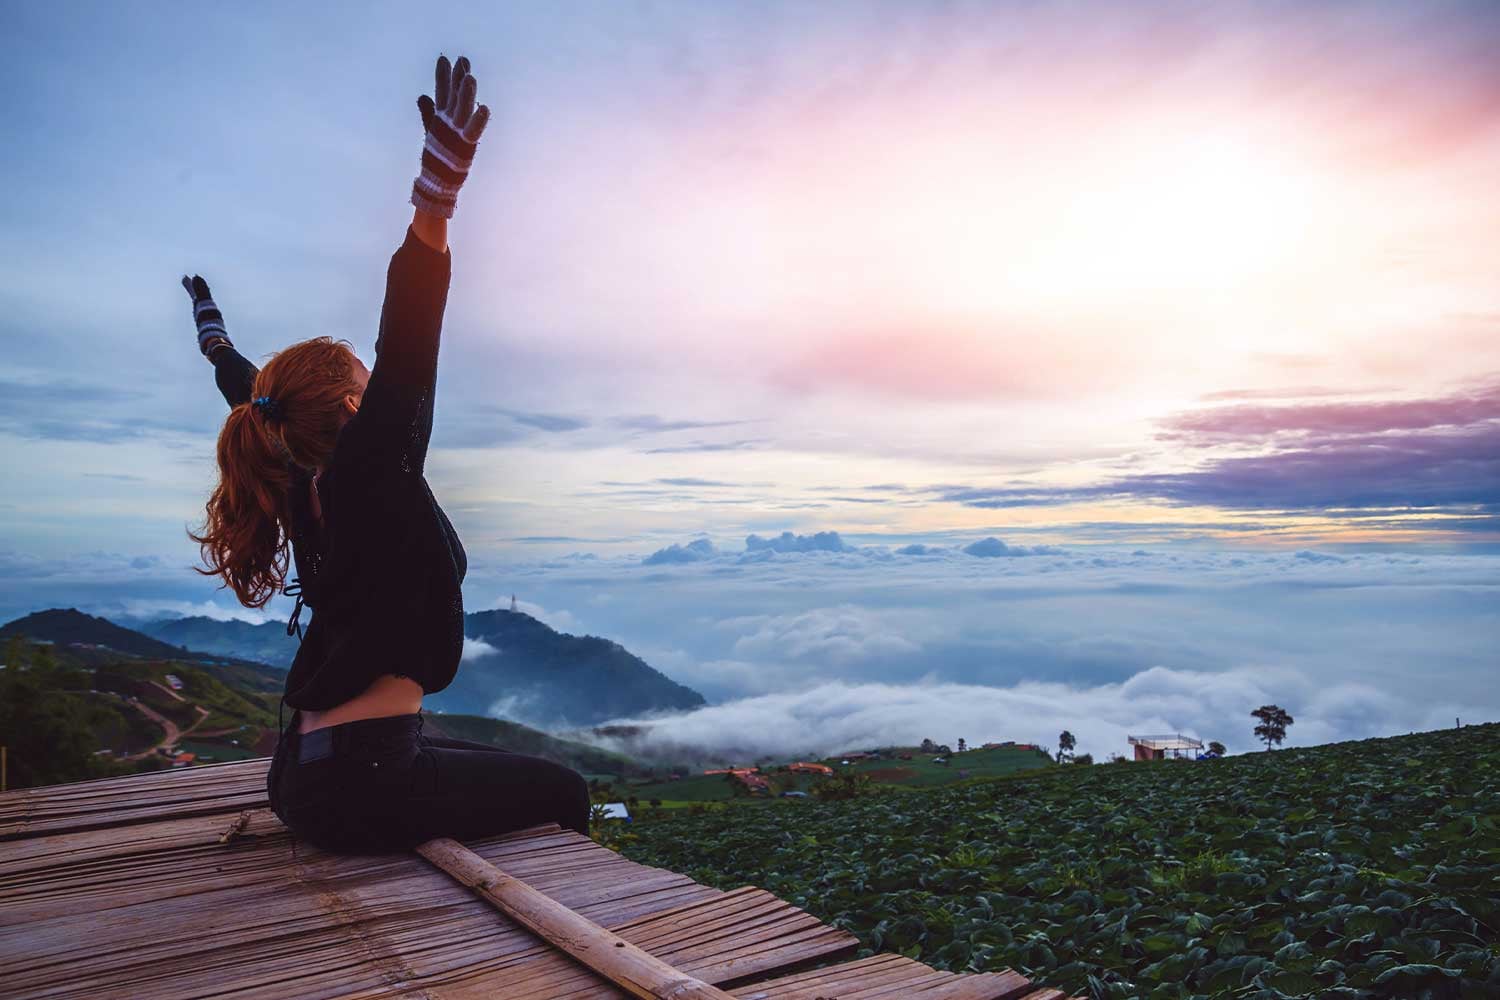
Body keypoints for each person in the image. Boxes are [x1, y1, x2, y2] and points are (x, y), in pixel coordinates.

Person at [183, 54, 589, 853]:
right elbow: (409, 336)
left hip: (305, 768)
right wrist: (435, 201)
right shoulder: (374, 469)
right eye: (370, 388)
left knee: (497, 763)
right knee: (566, 790)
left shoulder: (293, 463)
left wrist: (213, 329)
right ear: (352, 408)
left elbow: (244, 385)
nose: (384, 392)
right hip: (359, 785)